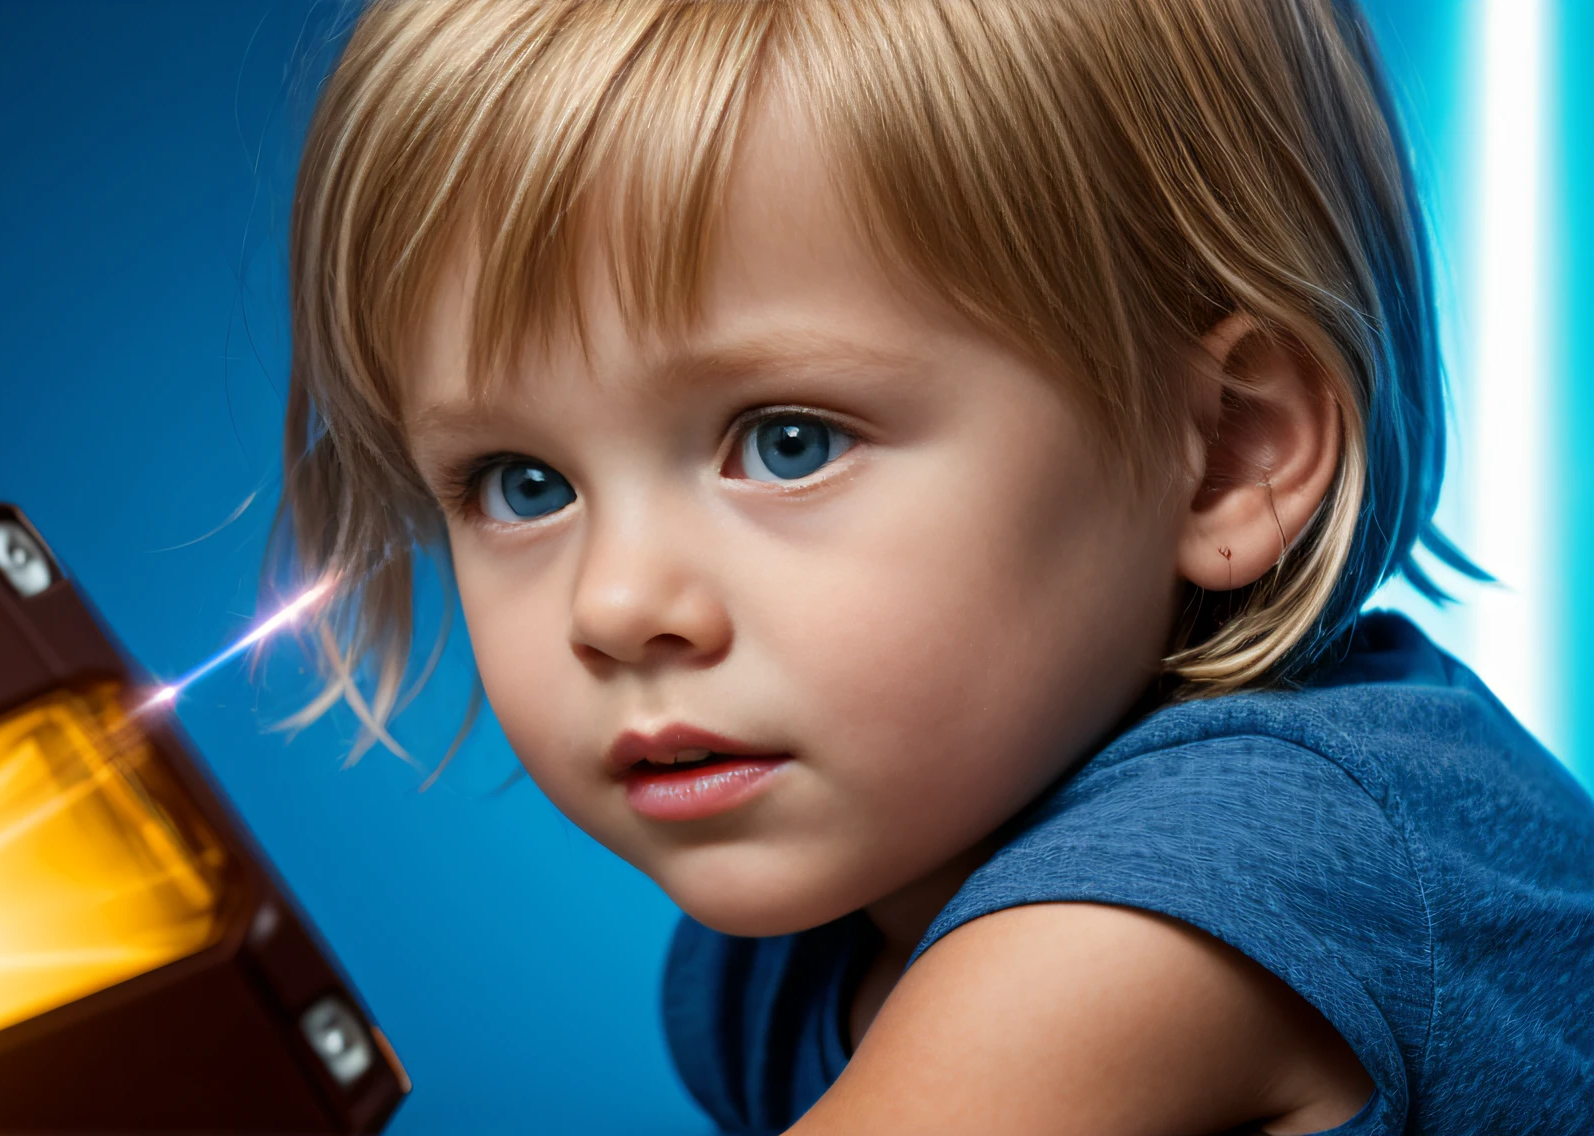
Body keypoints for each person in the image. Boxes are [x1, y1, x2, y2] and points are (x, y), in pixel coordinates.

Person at [269, 1, 1594, 1131]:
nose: (614, 607)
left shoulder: (1211, 891)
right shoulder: (778, 968)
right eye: (525, 485)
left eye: (788, 443)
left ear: (1228, 452)